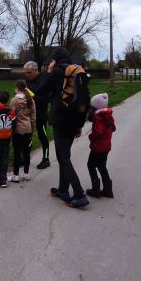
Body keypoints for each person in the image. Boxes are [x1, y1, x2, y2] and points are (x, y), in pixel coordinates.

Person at [46, 47, 89, 208]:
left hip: (61, 121)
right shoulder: (77, 72)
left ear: (55, 60)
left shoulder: (57, 72)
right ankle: (63, 189)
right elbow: (84, 100)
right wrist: (80, 124)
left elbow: (41, 89)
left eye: (52, 60)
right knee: (65, 156)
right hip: (74, 121)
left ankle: (79, 194)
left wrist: (49, 72)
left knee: (63, 158)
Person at [86, 93, 116, 198]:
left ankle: (96, 189)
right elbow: (113, 128)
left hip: (98, 147)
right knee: (102, 166)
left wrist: (91, 136)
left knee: (91, 165)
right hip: (106, 146)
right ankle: (108, 189)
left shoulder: (98, 117)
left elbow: (98, 132)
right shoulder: (107, 115)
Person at [24, 61, 52, 169]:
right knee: (28, 138)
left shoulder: (44, 80)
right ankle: (26, 158)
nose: (27, 75)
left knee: (42, 136)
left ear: (36, 70)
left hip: (40, 114)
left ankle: (46, 159)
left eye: (29, 72)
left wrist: (32, 95)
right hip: (28, 115)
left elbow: (46, 98)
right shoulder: (26, 81)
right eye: (25, 73)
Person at [8, 80, 35, 183]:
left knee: (17, 153)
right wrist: (33, 130)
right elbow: (33, 117)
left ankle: (15, 175)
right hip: (28, 128)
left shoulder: (14, 100)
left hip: (17, 130)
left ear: (17, 88)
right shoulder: (31, 100)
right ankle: (26, 174)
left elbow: (11, 115)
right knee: (27, 152)